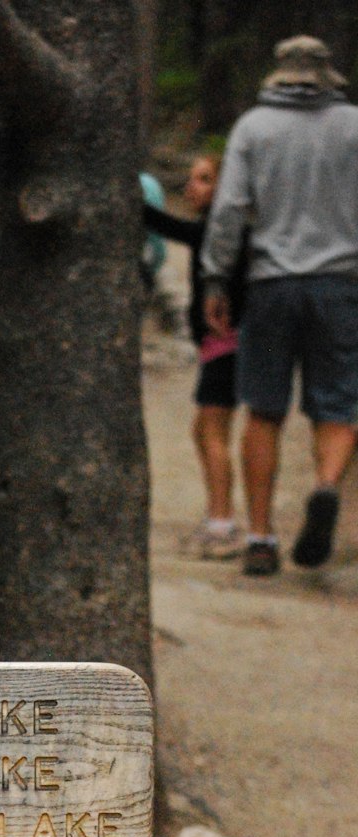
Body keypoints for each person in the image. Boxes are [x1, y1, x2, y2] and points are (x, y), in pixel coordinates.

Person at [201, 35, 358, 576]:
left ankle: (262, 539)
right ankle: (325, 487)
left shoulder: (254, 127)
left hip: (271, 285)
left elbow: (228, 211)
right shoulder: (355, 126)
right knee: (338, 406)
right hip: (341, 285)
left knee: (264, 409)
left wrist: (217, 278)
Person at [144, 154, 249, 559]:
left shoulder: (223, 233)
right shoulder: (215, 230)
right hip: (216, 347)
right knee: (202, 431)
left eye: (203, 179)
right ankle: (216, 516)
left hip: (228, 346)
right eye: (191, 179)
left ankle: (223, 524)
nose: (191, 187)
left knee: (212, 432)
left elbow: (169, 226)